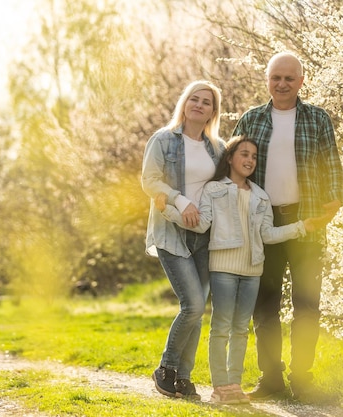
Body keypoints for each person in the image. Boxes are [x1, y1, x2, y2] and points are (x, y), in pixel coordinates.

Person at [154, 136, 325, 404]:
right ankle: (220, 386)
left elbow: (267, 234)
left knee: (241, 329)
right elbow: (201, 224)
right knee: (221, 327)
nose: (249, 160)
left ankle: (234, 385)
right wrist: (168, 212)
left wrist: (302, 226)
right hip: (222, 268)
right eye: (244, 154)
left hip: (253, 271)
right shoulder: (213, 189)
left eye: (254, 157)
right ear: (231, 158)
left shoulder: (260, 196)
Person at [231, 51, 343, 400]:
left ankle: (303, 378)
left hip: (307, 220)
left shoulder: (317, 119)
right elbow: (232, 168)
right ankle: (271, 379)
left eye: (289, 78)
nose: (282, 84)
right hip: (263, 224)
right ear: (267, 80)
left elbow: (332, 164)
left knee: (307, 304)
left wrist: (335, 199)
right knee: (264, 303)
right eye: (276, 78)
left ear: (301, 81)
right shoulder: (251, 120)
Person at [141, 80, 225, 400]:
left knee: (197, 308)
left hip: (205, 235)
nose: (199, 105)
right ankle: (166, 368)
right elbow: (150, 181)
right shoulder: (163, 140)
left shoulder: (217, 149)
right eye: (194, 99)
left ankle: (183, 379)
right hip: (171, 231)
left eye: (206, 102)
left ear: (212, 112)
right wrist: (179, 200)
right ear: (184, 103)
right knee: (191, 304)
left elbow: (224, 190)